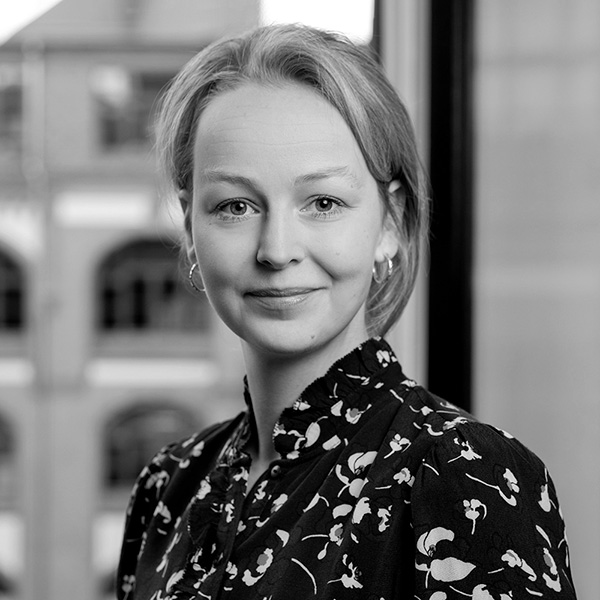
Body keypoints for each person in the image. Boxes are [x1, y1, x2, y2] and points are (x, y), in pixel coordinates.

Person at [116, 24, 577, 600]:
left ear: (390, 222)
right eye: (235, 206)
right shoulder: (168, 485)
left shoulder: (463, 473)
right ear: (191, 229)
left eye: (323, 202)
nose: (277, 250)